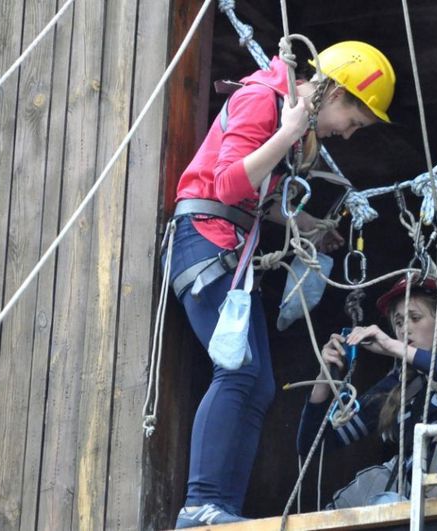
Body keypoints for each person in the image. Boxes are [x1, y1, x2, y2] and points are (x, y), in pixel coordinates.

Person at [169, 41, 397, 528]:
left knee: (261, 384)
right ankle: (200, 504)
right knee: (236, 373)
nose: (350, 135)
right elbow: (229, 185)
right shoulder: (264, 102)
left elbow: (260, 197)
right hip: (206, 241)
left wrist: (311, 224)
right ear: (335, 93)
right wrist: (288, 131)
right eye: (354, 121)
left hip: (228, 247)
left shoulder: (292, 126)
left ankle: (220, 508)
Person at [297, 276, 437, 509]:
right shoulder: (398, 385)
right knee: (359, 497)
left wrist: (393, 347)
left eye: (415, 318)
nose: (405, 330)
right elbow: (312, 444)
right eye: (399, 322)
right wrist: (324, 375)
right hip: (408, 485)